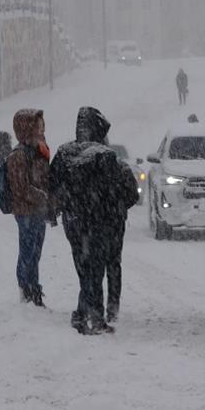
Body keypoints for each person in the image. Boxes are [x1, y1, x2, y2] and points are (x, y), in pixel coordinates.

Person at [50, 106, 139, 335]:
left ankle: (84, 314)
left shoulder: (64, 153)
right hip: (99, 222)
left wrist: (65, 206)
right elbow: (120, 192)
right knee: (97, 269)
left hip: (74, 221)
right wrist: (112, 210)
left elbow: (53, 185)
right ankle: (93, 316)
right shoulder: (106, 157)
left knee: (84, 268)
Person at [6, 109, 52, 307]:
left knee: (35, 253)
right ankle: (26, 291)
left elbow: (44, 179)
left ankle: (34, 289)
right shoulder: (18, 155)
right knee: (28, 252)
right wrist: (43, 197)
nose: (41, 130)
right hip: (26, 212)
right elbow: (21, 188)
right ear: (26, 129)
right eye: (37, 126)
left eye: (42, 126)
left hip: (38, 212)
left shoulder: (38, 151)